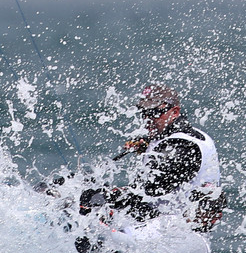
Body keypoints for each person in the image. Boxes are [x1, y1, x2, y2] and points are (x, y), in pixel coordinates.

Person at [84, 84, 224, 231]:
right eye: (144, 112)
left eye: (154, 112)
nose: (147, 118)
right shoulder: (187, 135)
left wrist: (106, 196)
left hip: (174, 236)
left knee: (90, 212)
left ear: (175, 112)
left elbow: (149, 189)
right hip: (167, 229)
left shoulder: (183, 147)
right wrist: (150, 146)